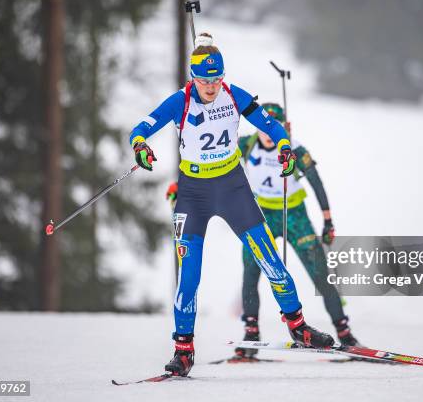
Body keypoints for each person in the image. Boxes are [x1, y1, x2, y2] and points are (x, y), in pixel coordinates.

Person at [129, 33, 334, 377]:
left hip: (233, 187)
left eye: (216, 79)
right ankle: (183, 351)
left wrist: (284, 147)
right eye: (204, 80)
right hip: (193, 194)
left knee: (269, 259)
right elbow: (143, 127)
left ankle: (298, 327)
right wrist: (140, 145)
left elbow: (269, 124)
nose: (210, 86)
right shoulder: (180, 102)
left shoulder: (233, 95)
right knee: (189, 277)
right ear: (193, 77)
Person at [232, 103, 361, 359]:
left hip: (294, 215)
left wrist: (327, 220)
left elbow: (315, 180)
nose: (267, 132)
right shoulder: (245, 144)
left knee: (320, 273)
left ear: (283, 126)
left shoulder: (293, 147)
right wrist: (184, 187)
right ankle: (251, 335)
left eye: (274, 126)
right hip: (261, 215)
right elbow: (213, 158)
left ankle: (345, 333)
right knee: (250, 273)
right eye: (262, 126)